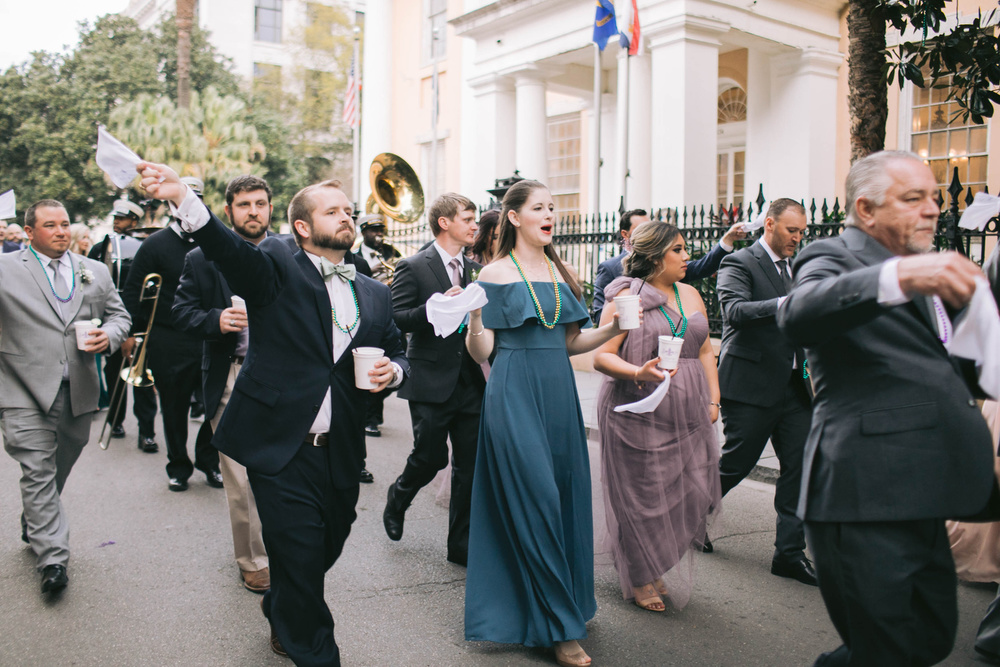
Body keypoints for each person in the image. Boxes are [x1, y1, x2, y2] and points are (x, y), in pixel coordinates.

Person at [138, 160, 408, 665]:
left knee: (328, 541)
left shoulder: (371, 291)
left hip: (342, 448)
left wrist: (393, 373)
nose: (347, 218)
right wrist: (182, 198)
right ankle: (315, 649)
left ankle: (282, 603)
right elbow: (227, 250)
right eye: (333, 211)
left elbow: (397, 351)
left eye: (349, 211)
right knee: (302, 555)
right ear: (303, 227)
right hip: (281, 448)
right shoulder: (276, 268)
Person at [778, 150, 994, 666]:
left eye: (935, 199)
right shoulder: (835, 256)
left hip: (924, 492)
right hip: (861, 494)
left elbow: (941, 370)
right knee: (886, 650)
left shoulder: (921, 273)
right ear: (867, 209)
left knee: (931, 637)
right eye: (913, 198)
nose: (932, 209)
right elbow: (800, 313)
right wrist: (902, 280)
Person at [464, 180, 629, 667]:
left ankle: (562, 605)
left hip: (558, 393)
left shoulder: (563, 274)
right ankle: (559, 627)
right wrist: (474, 320)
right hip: (512, 390)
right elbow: (483, 352)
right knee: (536, 496)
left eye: (553, 207)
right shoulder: (492, 274)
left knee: (563, 498)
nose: (550, 214)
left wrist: (616, 327)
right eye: (539, 207)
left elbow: (571, 344)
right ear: (514, 217)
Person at [0, 199, 130, 594]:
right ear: (29, 232)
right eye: (50, 225)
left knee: (60, 463)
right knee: (37, 469)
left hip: (79, 389)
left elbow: (119, 316)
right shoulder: (5, 270)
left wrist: (107, 336)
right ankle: (53, 558)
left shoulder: (95, 271)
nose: (60, 231)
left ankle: (36, 518)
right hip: (21, 387)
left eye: (65, 224)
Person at [593, 220, 722, 612]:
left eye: (686, 249)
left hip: (688, 409)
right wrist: (638, 371)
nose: (688, 257)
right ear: (653, 256)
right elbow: (602, 355)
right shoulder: (626, 299)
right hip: (637, 407)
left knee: (684, 495)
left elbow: (703, 351)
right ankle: (641, 572)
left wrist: (714, 401)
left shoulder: (691, 294)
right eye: (678, 250)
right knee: (643, 497)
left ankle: (652, 560)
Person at [173, 175, 278, 594]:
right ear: (229, 210)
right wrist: (215, 320)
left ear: (271, 208)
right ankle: (253, 559)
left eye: (260, 203)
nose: (253, 211)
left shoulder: (290, 252)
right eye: (244, 205)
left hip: (284, 375)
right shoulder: (201, 259)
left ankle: (288, 546)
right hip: (232, 374)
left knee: (286, 469)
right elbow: (181, 313)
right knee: (240, 475)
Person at [714, 198, 816, 585]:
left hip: (795, 388)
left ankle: (789, 554)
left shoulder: (800, 267)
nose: (797, 238)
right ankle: (687, 521)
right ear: (769, 224)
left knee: (801, 468)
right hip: (751, 385)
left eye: (802, 232)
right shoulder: (738, 262)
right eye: (792, 230)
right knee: (735, 465)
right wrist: (786, 303)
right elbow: (734, 312)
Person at [383, 192, 486, 567]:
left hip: (472, 379)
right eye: (468, 218)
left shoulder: (477, 270)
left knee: (470, 467)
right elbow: (397, 316)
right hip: (429, 377)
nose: (475, 225)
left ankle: (461, 546)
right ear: (444, 223)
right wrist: (435, 307)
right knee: (429, 458)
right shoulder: (414, 265)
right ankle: (398, 497)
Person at [122, 194, 222, 492]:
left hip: (211, 333)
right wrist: (130, 332)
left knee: (217, 405)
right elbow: (133, 291)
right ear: (171, 207)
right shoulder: (154, 244)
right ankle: (178, 465)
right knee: (174, 405)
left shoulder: (216, 240)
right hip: (170, 337)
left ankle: (209, 460)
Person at [591, 209, 746, 322]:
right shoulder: (610, 268)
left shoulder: (674, 266)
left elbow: (702, 267)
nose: (650, 231)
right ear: (625, 234)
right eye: (642, 228)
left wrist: (727, 240)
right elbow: (599, 314)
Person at [89, 199, 158, 449]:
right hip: (110, 322)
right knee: (113, 372)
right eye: (116, 217)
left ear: (135, 221)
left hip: (140, 323)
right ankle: (115, 421)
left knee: (143, 378)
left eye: (123, 218)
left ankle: (147, 432)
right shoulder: (100, 248)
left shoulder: (145, 248)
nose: (117, 221)